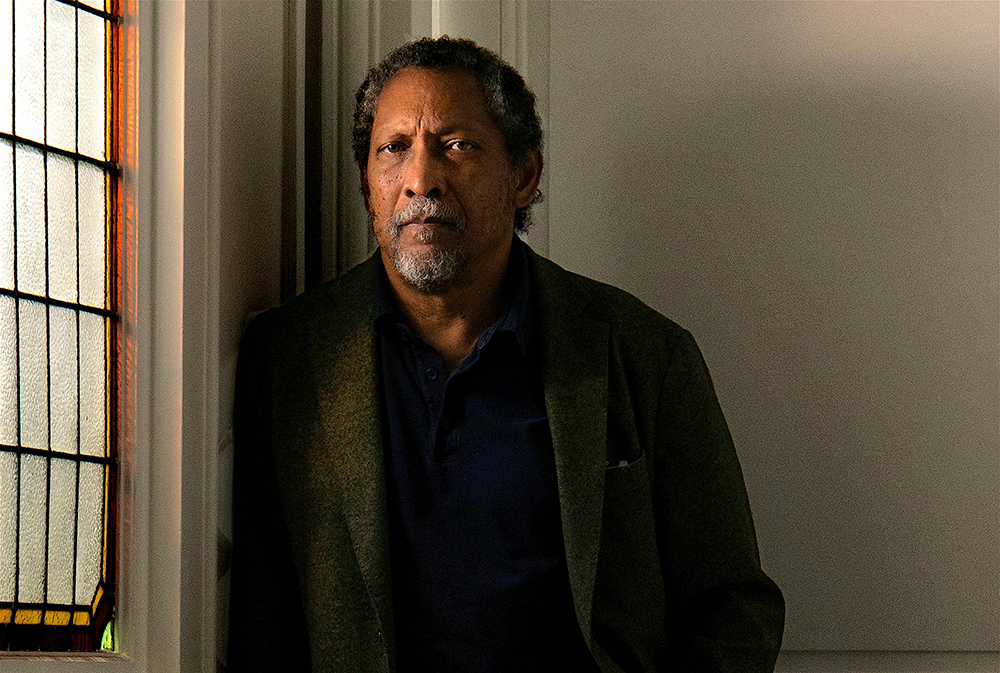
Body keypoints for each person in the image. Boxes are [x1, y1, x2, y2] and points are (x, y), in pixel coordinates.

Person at [228, 36, 784, 673]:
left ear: (523, 176)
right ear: (366, 184)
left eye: (457, 145)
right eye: (394, 149)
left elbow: (733, 607)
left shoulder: (644, 354)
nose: (420, 180)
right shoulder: (290, 361)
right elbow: (262, 623)